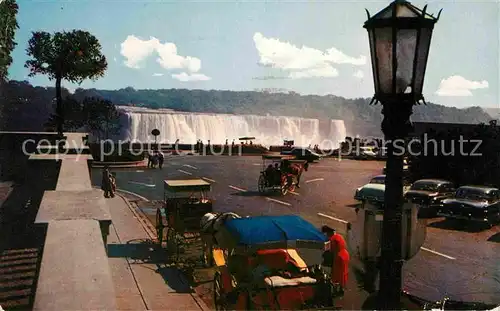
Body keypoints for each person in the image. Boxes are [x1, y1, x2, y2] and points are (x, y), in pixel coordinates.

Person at [322, 225, 349, 294]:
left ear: (329, 233)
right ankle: (341, 288)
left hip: (339, 257)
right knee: (343, 272)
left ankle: (336, 289)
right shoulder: (339, 236)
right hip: (345, 255)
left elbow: (331, 250)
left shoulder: (333, 238)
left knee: (337, 273)